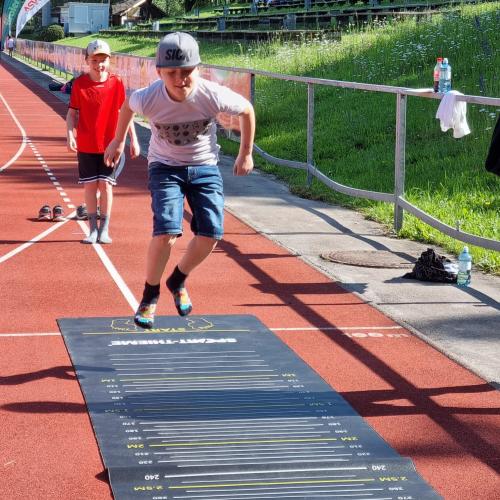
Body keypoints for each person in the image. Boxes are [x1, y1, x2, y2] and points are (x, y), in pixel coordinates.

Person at [104, 32, 255, 328]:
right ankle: (149, 295)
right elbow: (126, 107)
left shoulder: (211, 93)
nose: (180, 79)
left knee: (212, 233)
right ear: (159, 72)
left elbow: (247, 110)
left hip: (204, 167)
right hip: (165, 167)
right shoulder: (148, 97)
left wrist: (245, 153)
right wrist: (118, 140)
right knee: (167, 232)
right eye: (171, 73)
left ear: (198, 69)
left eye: (186, 72)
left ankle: (178, 279)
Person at [66, 39, 139, 244]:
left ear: (110, 61)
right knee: (90, 187)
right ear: (87, 60)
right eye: (95, 60)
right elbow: (72, 113)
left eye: (103, 60)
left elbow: (125, 113)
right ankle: (92, 229)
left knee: (106, 185)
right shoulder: (79, 84)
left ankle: (104, 229)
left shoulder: (116, 83)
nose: (99, 65)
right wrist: (70, 134)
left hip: (111, 144)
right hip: (87, 144)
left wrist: (133, 139)